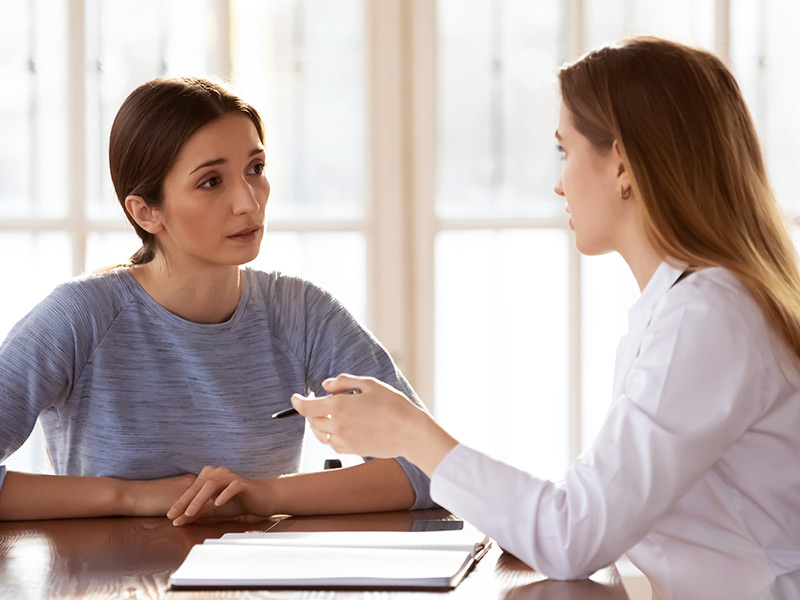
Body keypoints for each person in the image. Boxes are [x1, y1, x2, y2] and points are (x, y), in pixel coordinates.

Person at [173, 37, 800, 598]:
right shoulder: (688, 306)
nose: (559, 186)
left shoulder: (706, 317)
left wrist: (413, 433)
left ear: (623, 165)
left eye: (565, 152)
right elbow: (585, 511)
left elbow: (573, 538)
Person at [0, 76, 434, 522]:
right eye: (211, 182)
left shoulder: (302, 313)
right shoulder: (80, 316)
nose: (249, 202)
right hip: (111, 586)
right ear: (146, 212)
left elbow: (428, 468)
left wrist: (266, 495)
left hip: (253, 585)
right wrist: (131, 497)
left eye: (256, 169)